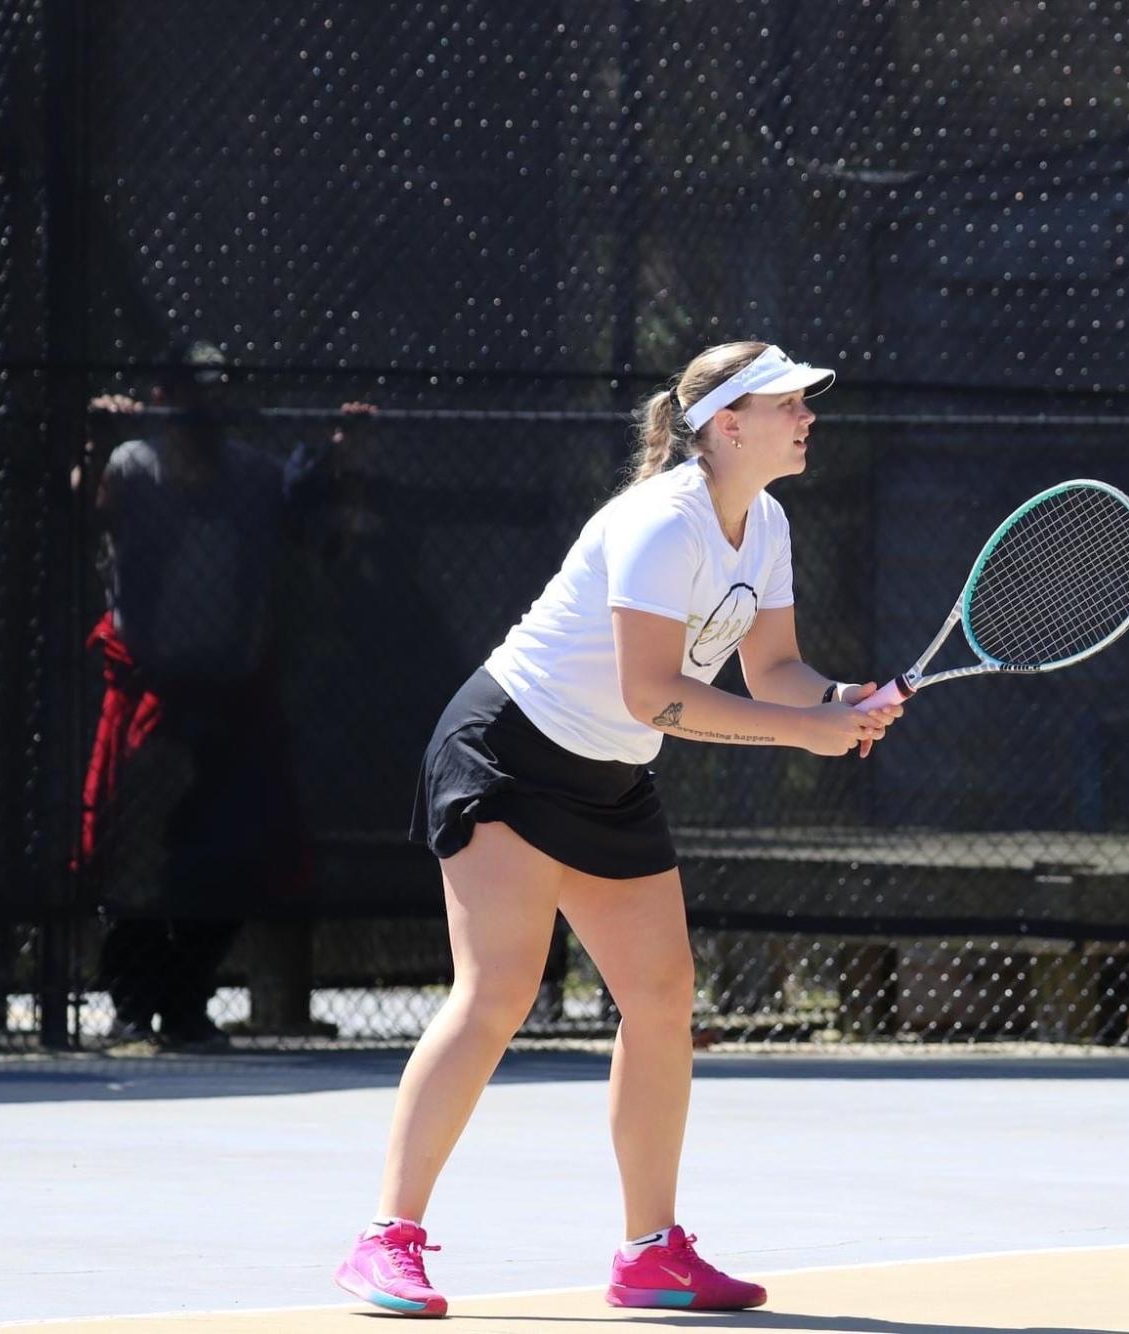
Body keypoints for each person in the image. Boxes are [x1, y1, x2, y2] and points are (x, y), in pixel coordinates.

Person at [333, 341, 903, 1317]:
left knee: (662, 995)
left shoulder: (764, 522)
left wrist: (842, 700)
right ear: (728, 424)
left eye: (807, 401)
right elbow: (655, 690)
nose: (809, 413)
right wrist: (804, 733)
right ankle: (385, 1238)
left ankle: (650, 1253)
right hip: (509, 749)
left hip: (611, 773)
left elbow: (776, 675)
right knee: (498, 991)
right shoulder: (656, 523)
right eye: (788, 402)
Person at [76, 341, 374, 1052]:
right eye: (185, 393)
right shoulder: (132, 468)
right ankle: (132, 1003)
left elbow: (323, 542)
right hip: (152, 693)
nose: (200, 408)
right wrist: (94, 443)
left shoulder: (253, 475)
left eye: (211, 394)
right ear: (159, 399)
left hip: (230, 695)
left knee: (232, 856)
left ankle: (186, 1003)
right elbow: (87, 515)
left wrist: (341, 464)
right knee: (136, 860)